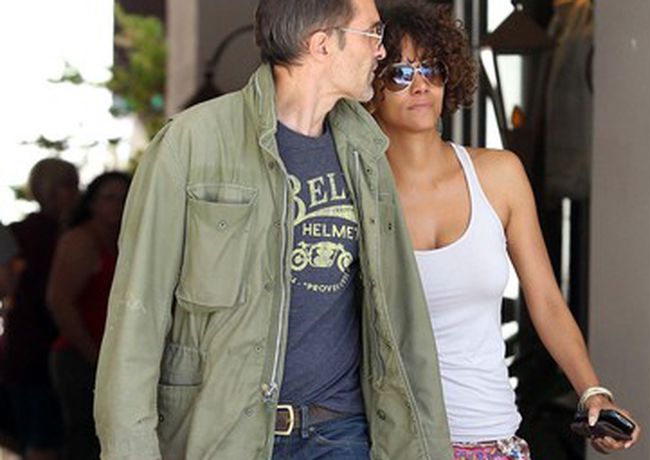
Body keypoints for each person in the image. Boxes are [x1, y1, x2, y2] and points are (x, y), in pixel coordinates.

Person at [93, 0, 452, 459]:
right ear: (321, 44)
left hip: (339, 432)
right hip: (223, 437)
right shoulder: (191, 143)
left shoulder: (365, 151)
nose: (381, 51)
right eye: (372, 34)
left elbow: (403, 319)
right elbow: (138, 313)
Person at [366, 3, 642, 459]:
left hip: (490, 436)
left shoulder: (499, 175)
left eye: (432, 69)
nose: (420, 84)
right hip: (390, 443)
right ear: (370, 88)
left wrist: (593, 392)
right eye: (399, 73)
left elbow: (546, 301)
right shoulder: (354, 188)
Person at [0, 158, 79, 460]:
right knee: (43, 441)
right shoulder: (30, 234)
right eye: (69, 186)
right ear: (50, 190)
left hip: (45, 347)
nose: (75, 193)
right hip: (34, 349)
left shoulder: (69, 232)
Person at [47, 172, 130, 460]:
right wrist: (94, 355)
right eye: (109, 198)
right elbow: (60, 301)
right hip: (81, 356)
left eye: (124, 198)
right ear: (92, 203)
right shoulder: (80, 240)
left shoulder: (125, 240)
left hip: (112, 357)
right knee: (85, 439)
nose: (117, 205)